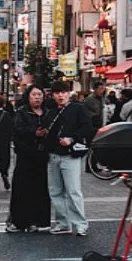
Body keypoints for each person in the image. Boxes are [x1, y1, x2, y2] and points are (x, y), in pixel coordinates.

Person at [45, 84, 93, 236]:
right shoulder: (51, 112)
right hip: (53, 155)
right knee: (55, 191)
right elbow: (48, 132)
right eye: (57, 93)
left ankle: (80, 223)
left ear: (68, 94)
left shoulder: (77, 109)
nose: (60, 96)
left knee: (73, 190)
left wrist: (72, 139)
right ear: (53, 95)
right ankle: (63, 222)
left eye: (63, 93)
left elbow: (88, 127)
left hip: (70, 155)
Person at [8, 85, 52, 231]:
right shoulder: (22, 113)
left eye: (40, 94)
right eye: (34, 94)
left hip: (43, 156)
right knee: (22, 188)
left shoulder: (48, 113)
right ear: (28, 96)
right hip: (26, 155)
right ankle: (20, 221)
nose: (37, 97)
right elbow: (17, 131)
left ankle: (39, 220)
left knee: (40, 188)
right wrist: (34, 132)